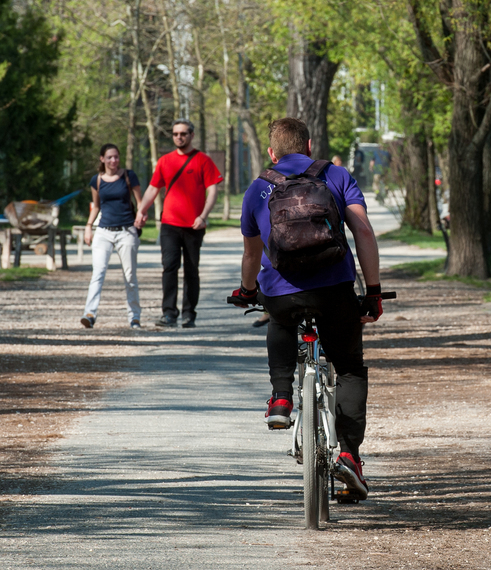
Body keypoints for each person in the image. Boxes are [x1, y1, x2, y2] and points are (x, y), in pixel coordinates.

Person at [230, 118, 382, 498]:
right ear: (309, 146)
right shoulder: (336, 176)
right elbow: (362, 231)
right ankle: (349, 454)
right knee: (348, 367)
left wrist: (248, 290)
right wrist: (374, 290)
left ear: (272, 152)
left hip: (282, 292)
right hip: (334, 289)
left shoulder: (258, 188)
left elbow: (251, 255)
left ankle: (281, 397)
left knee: (279, 319)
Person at [135, 119, 223, 329]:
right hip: (169, 224)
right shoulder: (165, 161)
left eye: (183, 133)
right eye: (175, 134)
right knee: (169, 267)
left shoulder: (203, 160)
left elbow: (213, 191)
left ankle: (189, 314)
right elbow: (152, 189)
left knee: (191, 270)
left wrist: (203, 216)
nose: (179, 137)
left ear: (192, 135)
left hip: (194, 225)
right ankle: (169, 314)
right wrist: (141, 210)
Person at [81, 144, 142, 329]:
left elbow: (140, 202)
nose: (113, 160)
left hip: (127, 231)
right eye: (109, 157)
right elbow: (97, 206)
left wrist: (141, 215)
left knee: (130, 276)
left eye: (116, 157)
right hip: (104, 231)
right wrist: (88, 226)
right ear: (102, 159)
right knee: (98, 273)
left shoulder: (128, 176)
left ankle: (134, 317)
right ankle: (89, 314)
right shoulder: (97, 180)